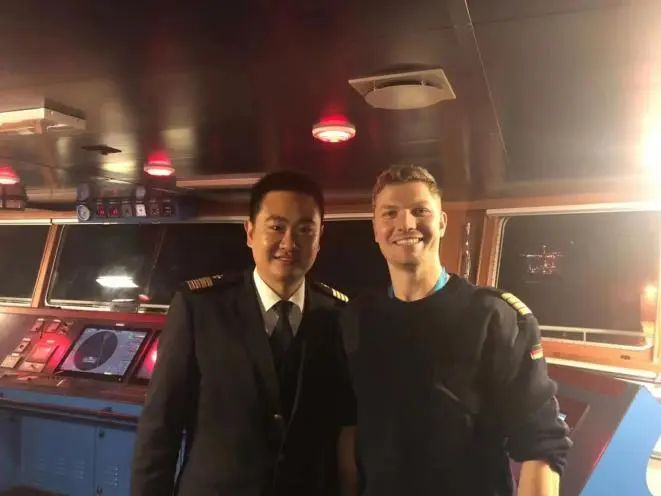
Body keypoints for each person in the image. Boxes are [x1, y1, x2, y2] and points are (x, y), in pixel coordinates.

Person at [340, 165, 571, 495]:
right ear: (375, 229)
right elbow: (348, 427)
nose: (405, 224)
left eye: (420, 211)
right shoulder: (357, 318)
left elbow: (540, 443)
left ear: (442, 223)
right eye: (390, 213)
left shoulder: (496, 317)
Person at [132, 171, 357, 496]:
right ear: (250, 232)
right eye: (276, 227)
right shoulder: (200, 308)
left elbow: (343, 429)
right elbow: (160, 426)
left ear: (320, 237)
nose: (289, 243)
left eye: (305, 229)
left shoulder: (338, 316)